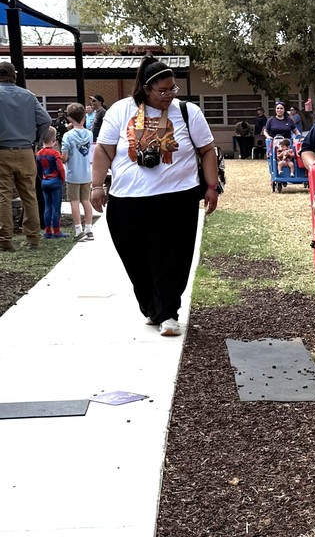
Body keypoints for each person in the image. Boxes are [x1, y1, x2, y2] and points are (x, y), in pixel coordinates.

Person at [90, 56, 220, 337]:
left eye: (173, 88)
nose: (169, 95)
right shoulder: (121, 110)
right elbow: (103, 150)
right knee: (135, 260)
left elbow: (207, 150)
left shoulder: (187, 112)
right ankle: (153, 307)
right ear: (145, 89)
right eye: (162, 90)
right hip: (127, 201)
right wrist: (97, 185)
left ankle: (169, 313)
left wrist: (212, 185)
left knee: (172, 258)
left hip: (177, 199)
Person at [0, 61, 51, 251]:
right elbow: (45, 119)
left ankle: (5, 240)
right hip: (26, 151)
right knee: (29, 195)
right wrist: (36, 140)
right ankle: (33, 238)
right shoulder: (28, 96)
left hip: (2, 151)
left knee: (3, 196)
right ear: (14, 76)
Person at [61, 102, 94, 240]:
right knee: (86, 201)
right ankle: (89, 229)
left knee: (74, 202)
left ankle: (78, 230)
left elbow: (64, 157)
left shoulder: (68, 136)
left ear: (69, 118)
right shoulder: (90, 134)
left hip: (73, 174)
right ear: (84, 117)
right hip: (86, 173)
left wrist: (63, 158)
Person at [36, 126, 68, 238]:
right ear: (54, 141)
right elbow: (60, 168)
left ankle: (47, 231)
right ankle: (57, 231)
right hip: (55, 181)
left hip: (45, 181)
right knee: (56, 207)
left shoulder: (39, 154)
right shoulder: (55, 154)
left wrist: (42, 179)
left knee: (47, 206)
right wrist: (62, 179)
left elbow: (38, 170)